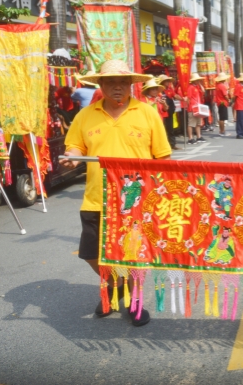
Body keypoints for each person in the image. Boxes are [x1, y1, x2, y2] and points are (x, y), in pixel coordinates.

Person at [60, 59, 171, 327]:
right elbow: (75, 146)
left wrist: (161, 193)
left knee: (133, 255)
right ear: (101, 85)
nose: (118, 87)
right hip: (97, 199)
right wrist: (73, 158)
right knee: (90, 253)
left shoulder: (147, 113)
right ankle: (113, 286)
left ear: (132, 85)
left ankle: (134, 300)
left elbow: (162, 157)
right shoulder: (85, 115)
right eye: (111, 82)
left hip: (136, 201)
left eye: (123, 82)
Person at [157, 75, 179, 149]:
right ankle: (164, 145)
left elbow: (175, 95)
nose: (168, 83)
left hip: (169, 111)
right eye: (166, 81)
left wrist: (183, 99)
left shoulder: (170, 89)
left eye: (168, 81)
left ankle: (172, 144)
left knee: (170, 128)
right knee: (163, 129)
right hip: (162, 112)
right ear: (163, 82)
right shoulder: (159, 91)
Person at [186, 73, 206, 145]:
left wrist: (200, 84)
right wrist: (188, 106)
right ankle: (190, 138)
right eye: (197, 80)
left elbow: (203, 91)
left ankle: (198, 136)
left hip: (198, 107)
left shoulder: (197, 87)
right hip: (192, 108)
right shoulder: (190, 87)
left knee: (198, 123)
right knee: (191, 124)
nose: (198, 81)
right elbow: (188, 98)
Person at [214, 72, 231, 138]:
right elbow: (225, 95)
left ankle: (221, 131)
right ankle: (222, 131)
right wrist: (228, 100)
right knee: (222, 118)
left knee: (221, 117)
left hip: (219, 102)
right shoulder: (222, 86)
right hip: (223, 102)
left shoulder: (218, 85)